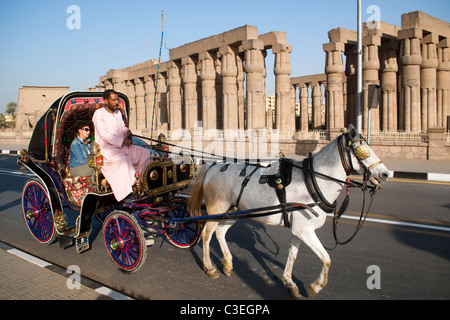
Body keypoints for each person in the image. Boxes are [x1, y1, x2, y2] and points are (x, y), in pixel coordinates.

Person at [92, 89, 151, 201]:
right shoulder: (98, 114)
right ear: (106, 101)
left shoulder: (118, 113)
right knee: (123, 161)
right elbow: (104, 135)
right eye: (113, 100)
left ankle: (145, 183)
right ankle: (130, 191)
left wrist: (127, 132)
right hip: (108, 149)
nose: (116, 102)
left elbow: (122, 127)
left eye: (117, 100)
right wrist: (122, 141)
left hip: (123, 146)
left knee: (145, 153)